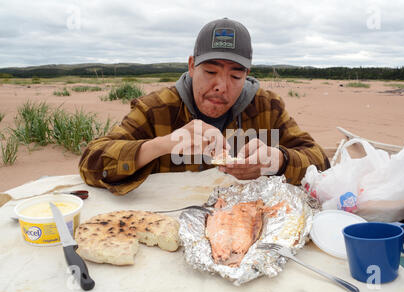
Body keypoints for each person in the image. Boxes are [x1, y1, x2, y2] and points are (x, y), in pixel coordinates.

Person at [78, 17, 330, 195]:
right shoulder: (156, 109)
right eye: (210, 71)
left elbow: (321, 161)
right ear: (191, 66)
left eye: (235, 76)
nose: (221, 86)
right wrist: (163, 144)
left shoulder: (268, 107)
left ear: (246, 75)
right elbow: (91, 164)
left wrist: (279, 161)